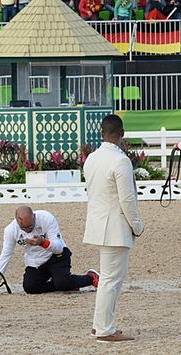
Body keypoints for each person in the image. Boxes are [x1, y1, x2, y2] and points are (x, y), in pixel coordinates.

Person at [83, 114, 144, 343]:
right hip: (115, 227)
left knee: (109, 278)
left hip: (98, 223)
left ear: (101, 134)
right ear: (123, 134)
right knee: (111, 279)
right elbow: (127, 200)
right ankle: (104, 329)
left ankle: (100, 325)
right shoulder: (121, 161)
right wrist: (137, 226)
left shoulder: (91, 158)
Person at [0, 206, 99, 294]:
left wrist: (43, 242)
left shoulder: (46, 218)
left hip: (56, 256)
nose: (28, 231)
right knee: (30, 287)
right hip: (36, 262)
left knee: (62, 282)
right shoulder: (10, 230)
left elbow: (58, 248)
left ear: (34, 216)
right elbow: (5, 255)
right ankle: (66, 285)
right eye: (23, 229)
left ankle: (90, 278)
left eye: (30, 227)